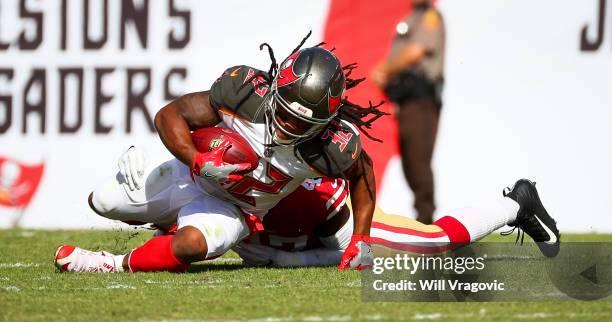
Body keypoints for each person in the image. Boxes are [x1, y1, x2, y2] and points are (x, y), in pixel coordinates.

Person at [54, 37, 388, 273]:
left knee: (189, 246)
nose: (286, 125)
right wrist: (196, 161)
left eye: (301, 122)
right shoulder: (242, 92)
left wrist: (362, 239)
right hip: (192, 175)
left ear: (325, 121)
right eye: (284, 112)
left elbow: (363, 175)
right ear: (274, 90)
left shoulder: (332, 144)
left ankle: (110, 263)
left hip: (236, 209)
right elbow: (170, 115)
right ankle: (162, 219)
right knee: (102, 201)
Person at [234, 176, 560, 267]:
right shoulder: (209, 193)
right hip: (315, 222)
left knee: (434, 242)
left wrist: (292, 259)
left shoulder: (299, 196)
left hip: (343, 218)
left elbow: (339, 247)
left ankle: (516, 203)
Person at [371, 0, 445, 224]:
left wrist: (385, 68)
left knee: (418, 161)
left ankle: (426, 222)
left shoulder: (430, 17)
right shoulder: (410, 19)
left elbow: (416, 51)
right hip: (406, 101)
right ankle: (423, 220)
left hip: (421, 100)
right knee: (409, 163)